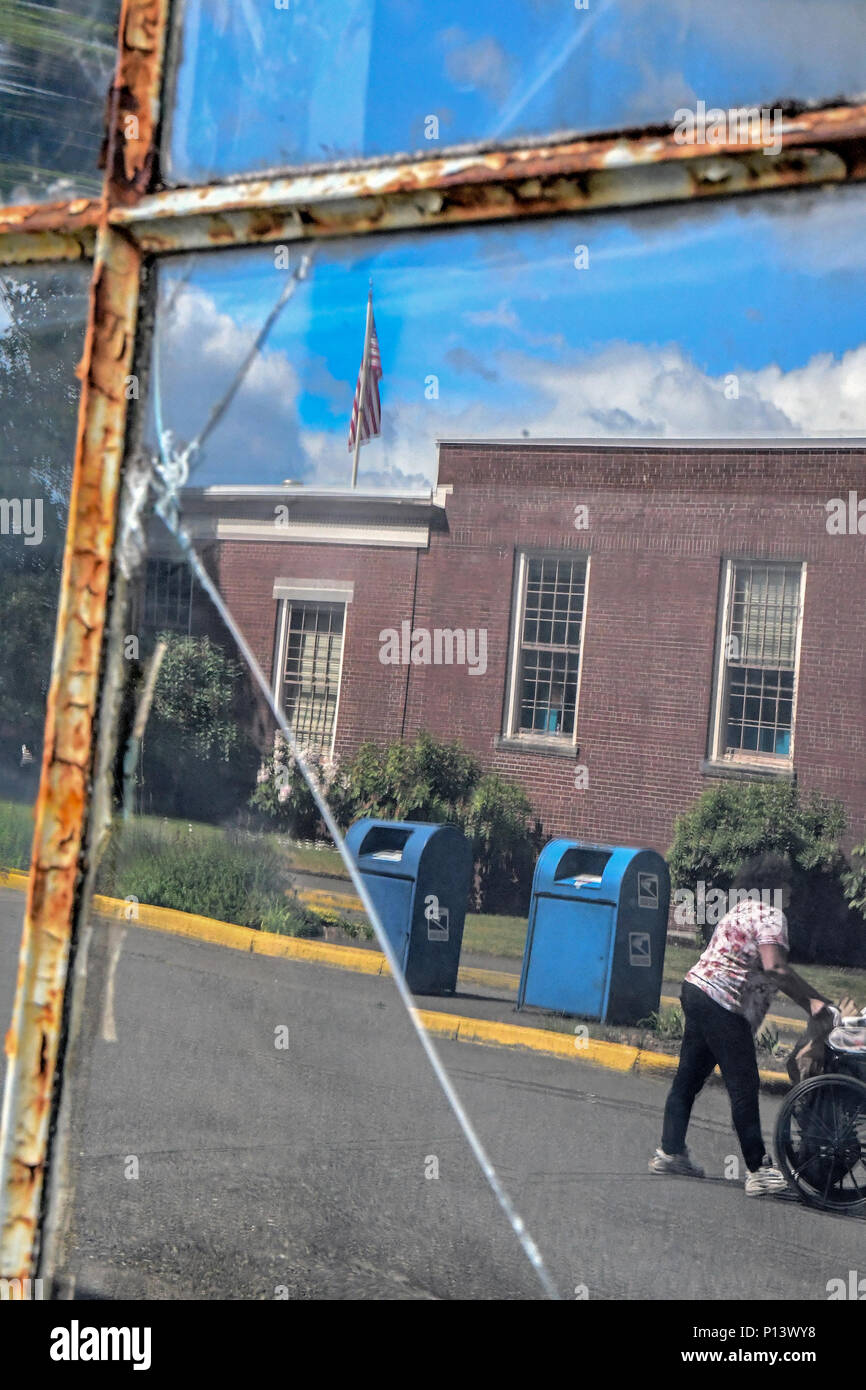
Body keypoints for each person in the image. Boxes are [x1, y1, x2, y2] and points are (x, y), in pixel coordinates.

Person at [649, 851, 835, 1196]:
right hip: (722, 1003)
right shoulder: (771, 916)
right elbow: (775, 968)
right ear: (774, 886)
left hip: (696, 990)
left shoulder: (741, 908)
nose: (791, 890)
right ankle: (758, 1170)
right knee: (744, 1083)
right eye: (787, 884)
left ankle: (671, 1152)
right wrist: (813, 1002)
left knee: (688, 1077)